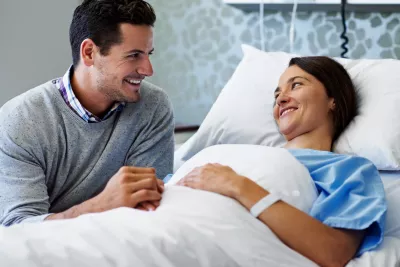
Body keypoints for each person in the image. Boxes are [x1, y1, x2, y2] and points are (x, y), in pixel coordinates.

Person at [178, 57, 387, 267]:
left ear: (333, 99)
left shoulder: (347, 171)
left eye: (296, 85)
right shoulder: (235, 153)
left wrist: (238, 185)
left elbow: (334, 253)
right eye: (277, 95)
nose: (281, 99)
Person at [0, 0, 174, 226]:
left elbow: (147, 207)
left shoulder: (153, 107)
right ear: (90, 52)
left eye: (148, 54)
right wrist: (101, 205)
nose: (148, 69)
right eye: (134, 55)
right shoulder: (20, 121)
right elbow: (18, 227)